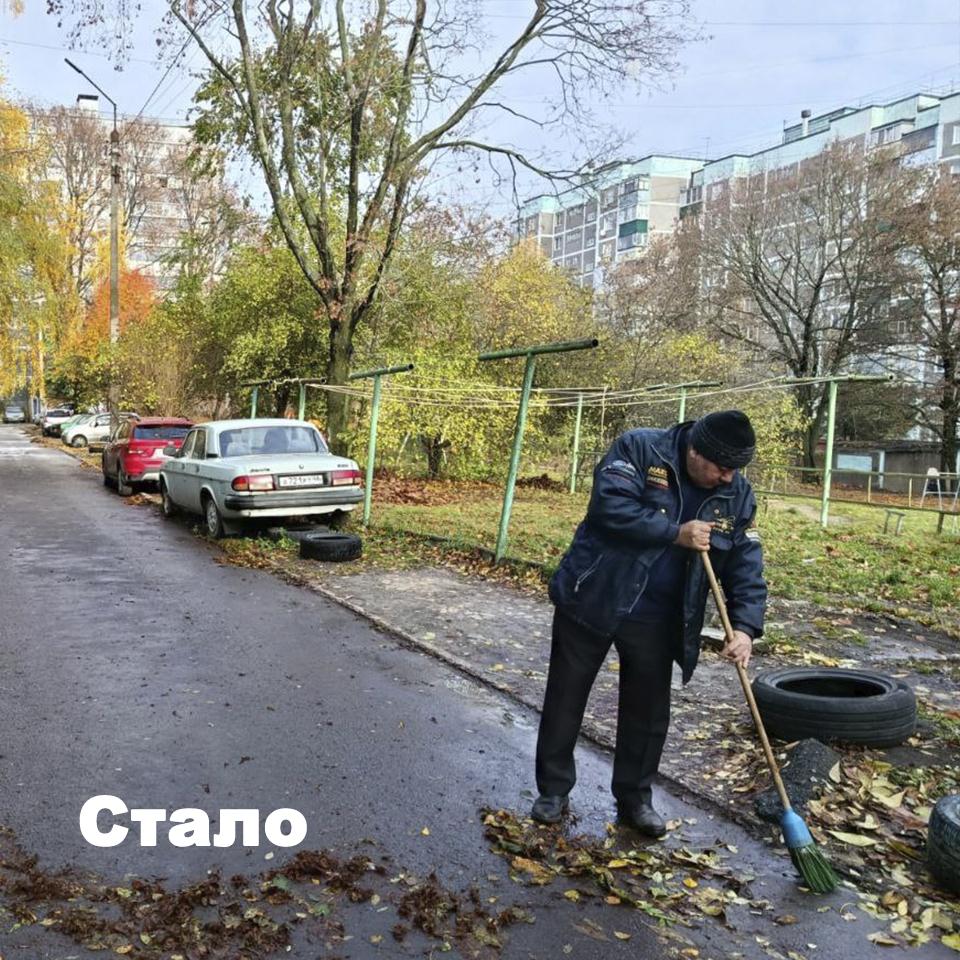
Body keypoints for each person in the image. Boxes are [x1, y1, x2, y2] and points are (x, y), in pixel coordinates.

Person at [532, 410, 767, 836]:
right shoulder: (641, 449)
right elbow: (610, 506)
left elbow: (746, 563)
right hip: (595, 595)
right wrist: (674, 532)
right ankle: (553, 790)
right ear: (695, 451)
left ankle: (635, 799)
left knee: (648, 713)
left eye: (736, 470)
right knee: (566, 696)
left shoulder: (738, 495)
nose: (729, 478)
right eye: (722, 468)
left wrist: (747, 628)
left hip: (660, 616)